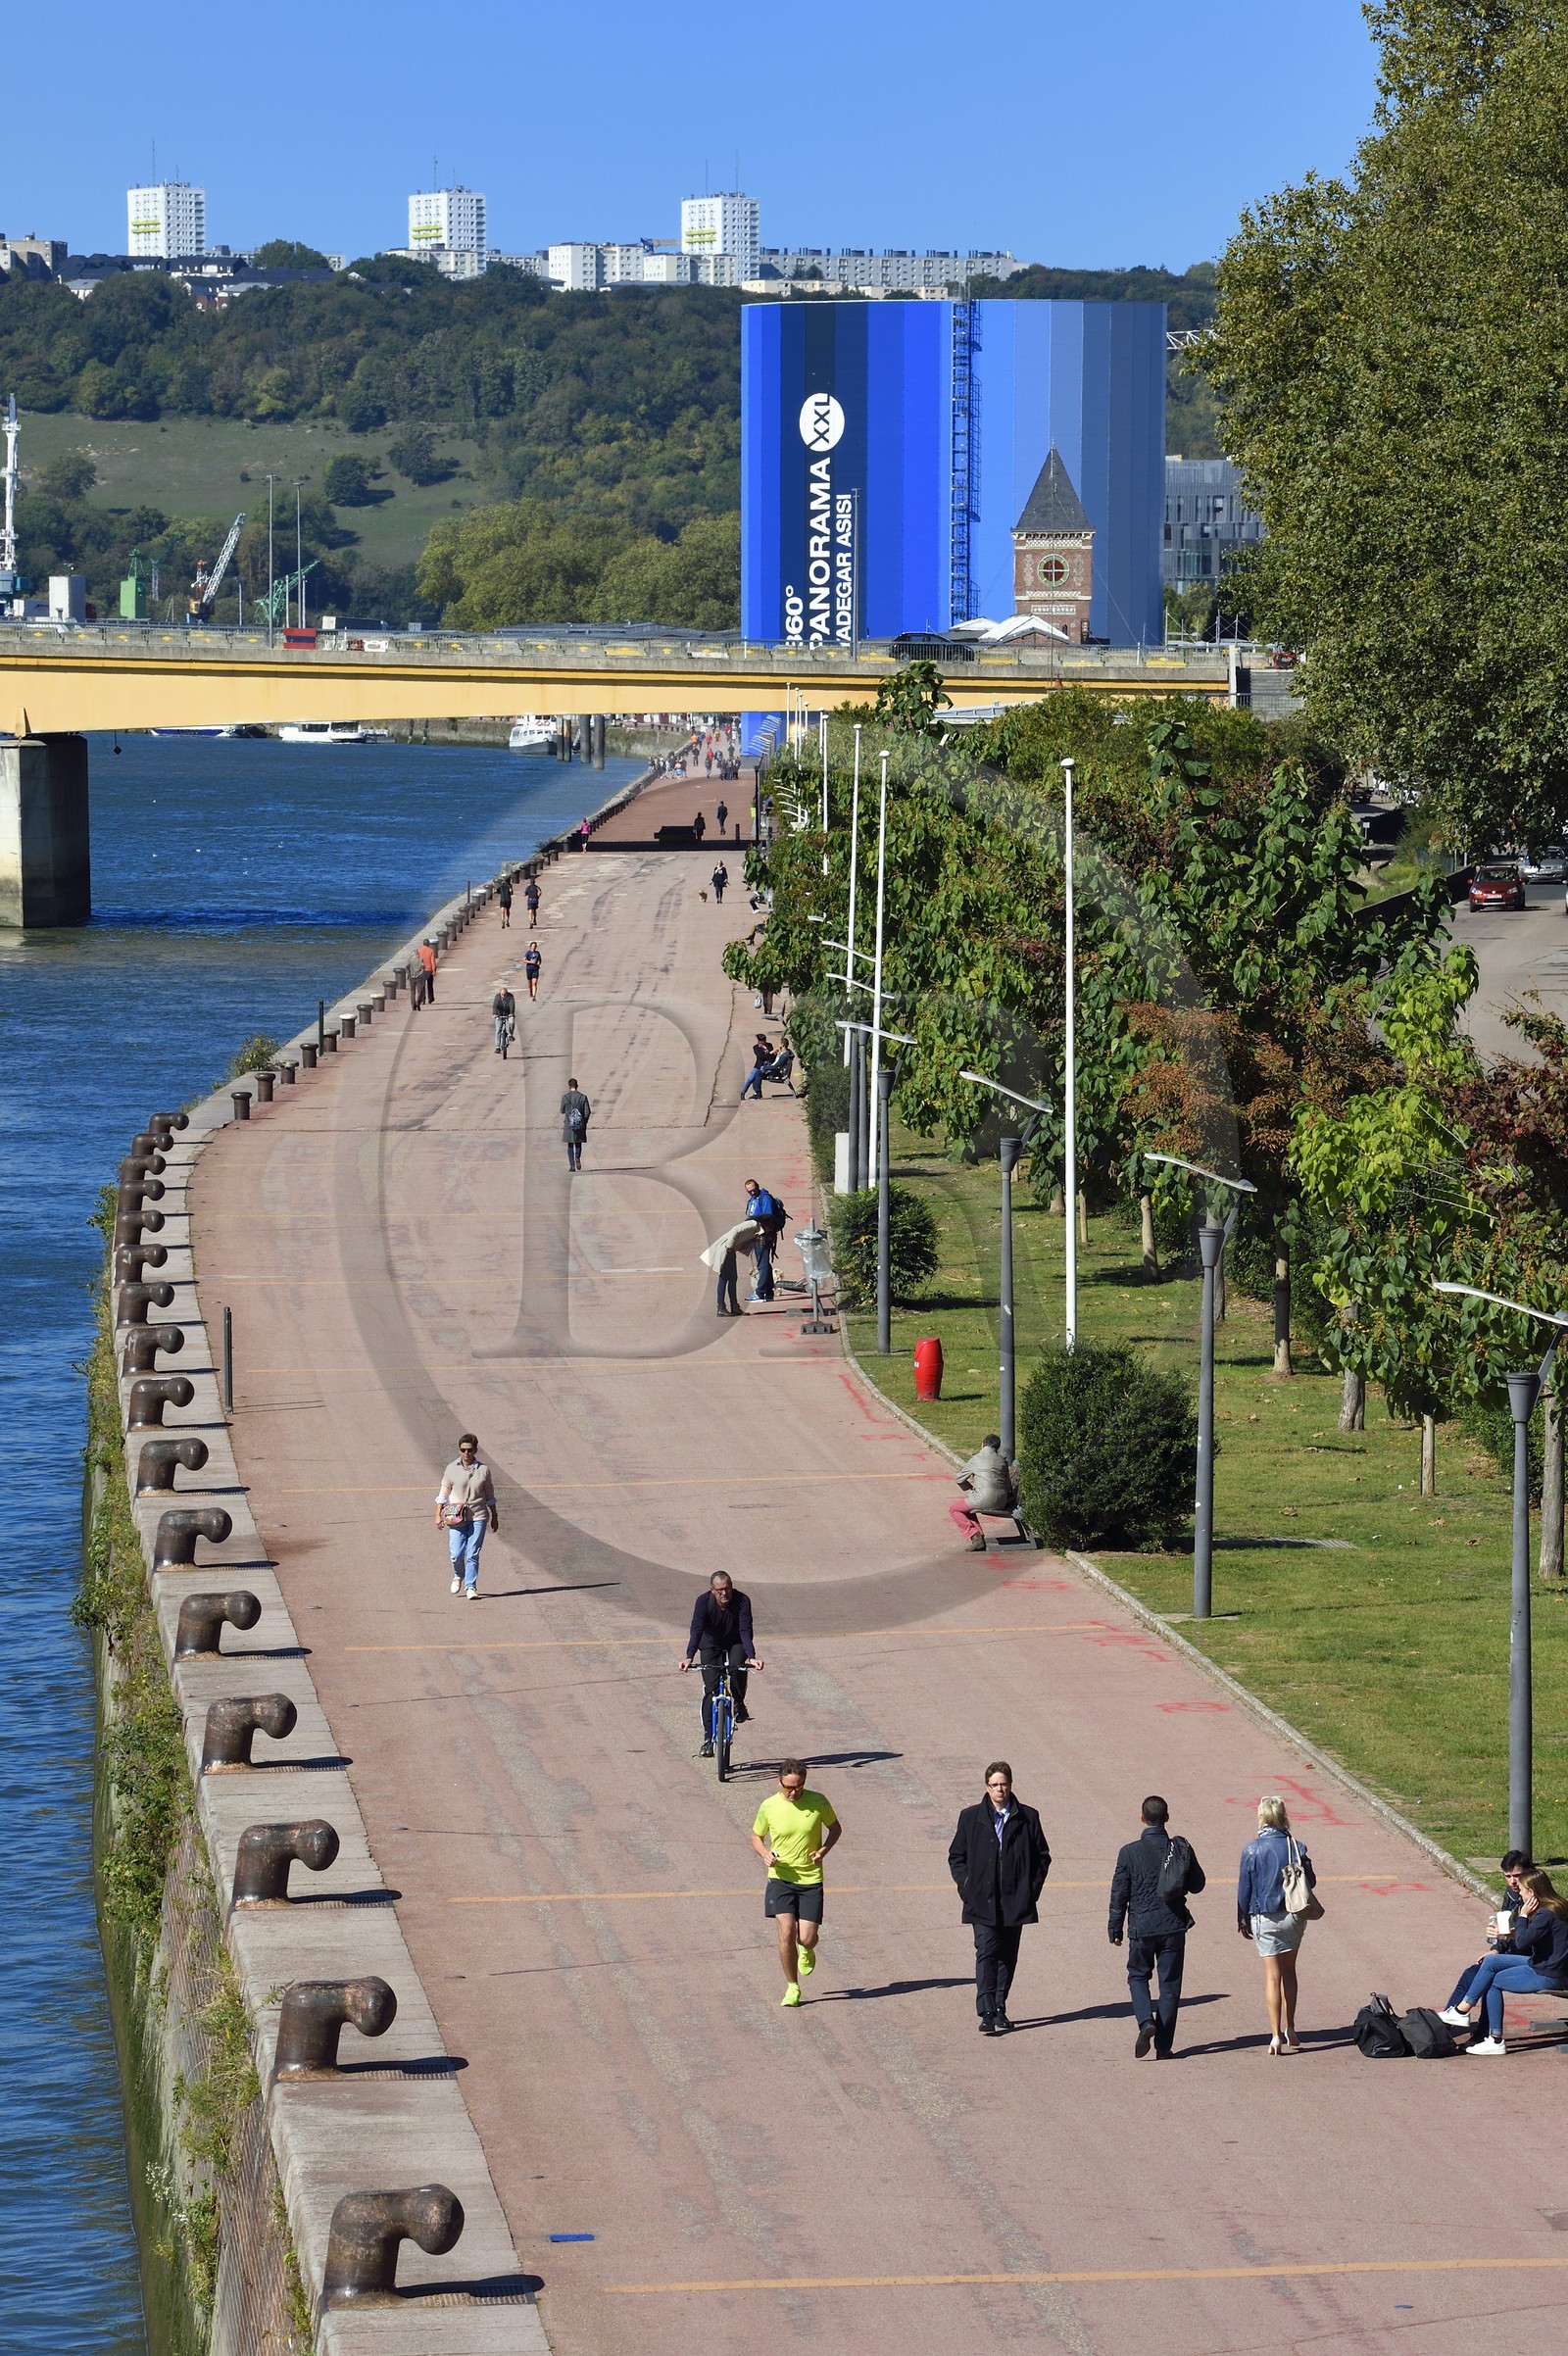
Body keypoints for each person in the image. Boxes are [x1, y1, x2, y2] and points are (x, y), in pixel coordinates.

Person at [947, 1762, 1052, 2034]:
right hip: (981, 1900)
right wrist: (967, 1885)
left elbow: (1042, 1857)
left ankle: (1000, 2007)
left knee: (1008, 1956)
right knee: (986, 1953)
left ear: (1011, 1785)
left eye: (1003, 1784)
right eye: (994, 1785)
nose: (999, 1789)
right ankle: (986, 2010)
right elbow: (957, 1856)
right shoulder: (970, 1818)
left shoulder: (1028, 1817)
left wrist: (1031, 1890)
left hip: (1015, 1901)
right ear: (986, 1787)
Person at [1109, 1795, 1206, 2058]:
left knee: (1138, 1976)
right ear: (1167, 1818)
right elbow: (1198, 1885)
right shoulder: (1180, 1848)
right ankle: (1164, 2047)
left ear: (1142, 1818)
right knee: (1170, 1985)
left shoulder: (1128, 1852)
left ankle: (1145, 2021)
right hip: (1173, 1925)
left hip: (1141, 1926)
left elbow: (1120, 1892)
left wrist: (1115, 1927)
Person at [1439, 1868, 1568, 2052]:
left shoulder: (1544, 1914)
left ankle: (1495, 2040)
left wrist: (1523, 1916)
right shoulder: (1557, 1906)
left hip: (1549, 1972)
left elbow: (1523, 1943)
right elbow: (1532, 1937)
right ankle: (1461, 2012)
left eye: (1522, 1890)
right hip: (1547, 1965)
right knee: (1492, 1961)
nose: (1520, 1893)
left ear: (1531, 1893)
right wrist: (1509, 1936)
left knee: (1494, 1983)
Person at [752, 1760, 841, 2007]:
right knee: (786, 1932)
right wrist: (765, 1854)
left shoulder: (818, 1801)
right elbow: (756, 1836)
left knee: (807, 1937)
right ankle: (792, 1986)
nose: (793, 1792)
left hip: (811, 1878)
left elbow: (835, 1828)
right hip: (781, 1877)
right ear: (779, 1782)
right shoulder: (769, 1806)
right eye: (788, 1787)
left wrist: (823, 1851)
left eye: (799, 1787)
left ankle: (807, 1949)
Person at [1238, 1794, 1317, 2054]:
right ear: (1283, 1817)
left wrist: (1242, 1918)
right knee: (1289, 1971)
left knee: (1272, 1976)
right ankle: (1291, 2027)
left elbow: (1244, 1890)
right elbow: (1311, 1881)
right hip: (1293, 1914)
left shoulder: (1251, 1849)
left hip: (1264, 1916)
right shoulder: (1297, 1846)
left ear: (1261, 1817)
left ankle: (1274, 2036)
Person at [679, 1570, 762, 1753]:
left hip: (735, 1641)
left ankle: (739, 1703)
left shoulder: (742, 1601)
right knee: (711, 1690)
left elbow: (745, 1631)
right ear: (712, 1590)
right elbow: (696, 1629)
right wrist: (689, 1656)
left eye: (728, 1588)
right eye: (720, 1590)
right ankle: (708, 1738)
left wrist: (752, 1656)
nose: (724, 1594)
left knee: (737, 1668)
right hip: (710, 1643)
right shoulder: (703, 1602)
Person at [434, 1433, 497, 1601]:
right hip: (457, 1515)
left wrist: (494, 1515)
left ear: (475, 1450)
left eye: (470, 1450)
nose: (466, 1453)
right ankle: (458, 1575)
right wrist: (438, 1514)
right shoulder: (451, 1468)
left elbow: (489, 1493)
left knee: (473, 1553)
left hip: (478, 1516)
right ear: (459, 1450)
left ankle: (471, 1586)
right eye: (463, 1450)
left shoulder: (483, 1470)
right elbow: (443, 1492)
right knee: (456, 1553)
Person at [949, 1437, 1025, 1552]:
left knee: (954, 1509)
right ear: (997, 1448)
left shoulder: (976, 1459)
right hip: (1002, 1500)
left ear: (982, 1444)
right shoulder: (1002, 1461)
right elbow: (1007, 1485)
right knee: (968, 1508)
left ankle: (975, 1534)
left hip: (982, 1498)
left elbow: (959, 1479)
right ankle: (978, 1538)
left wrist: (970, 1489)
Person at [744, 1178, 780, 1301]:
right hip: (756, 1236)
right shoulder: (753, 1200)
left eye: (754, 1190)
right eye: (749, 1191)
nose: (752, 1193)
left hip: (764, 1236)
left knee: (762, 1265)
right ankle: (769, 1293)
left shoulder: (765, 1198)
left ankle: (760, 1293)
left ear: (757, 1187)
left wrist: (754, 1219)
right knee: (764, 1263)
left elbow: (768, 1214)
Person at [561, 1077, 591, 1172]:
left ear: (569, 1087)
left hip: (569, 1124)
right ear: (577, 1086)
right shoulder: (583, 1097)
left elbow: (562, 1111)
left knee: (570, 1145)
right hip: (579, 1123)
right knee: (578, 1143)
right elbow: (587, 1112)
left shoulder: (565, 1097)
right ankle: (577, 1157)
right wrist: (584, 1122)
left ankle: (572, 1165)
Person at [741, 1036, 774, 1101]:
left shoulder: (769, 1045)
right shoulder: (756, 1047)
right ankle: (743, 1092)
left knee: (757, 1076)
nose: (764, 1042)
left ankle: (757, 1093)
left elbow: (772, 1056)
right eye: (763, 1041)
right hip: (759, 1065)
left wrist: (773, 1054)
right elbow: (761, 1056)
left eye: (765, 1040)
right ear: (759, 1041)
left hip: (767, 1066)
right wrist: (770, 1053)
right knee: (751, 1078)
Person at [491, 982, 516, 1058]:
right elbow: (495, 1006)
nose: (503, 996)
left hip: (508, 1013)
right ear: (500, 993)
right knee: (498, 1029)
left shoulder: (510, 996)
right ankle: (497, 1047)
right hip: (499, 1014)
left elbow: (512, 1005)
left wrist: (511, 1013)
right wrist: (495, 1014)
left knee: (511, 1022)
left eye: (505, 995)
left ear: (507, 993)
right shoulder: (497, 997)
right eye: (502, 994)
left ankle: (510, 1035)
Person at [417, 938, 437, 1003]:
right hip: (429, 970)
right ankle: (430, 998)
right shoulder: (431, 951)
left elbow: (418, 961)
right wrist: (434, 970)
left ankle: (423, 999)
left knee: (422, 985)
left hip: (422, 970)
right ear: (428, 944)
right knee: (430, 985)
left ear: (423, 944)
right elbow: (433, 961)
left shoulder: (419, 950)